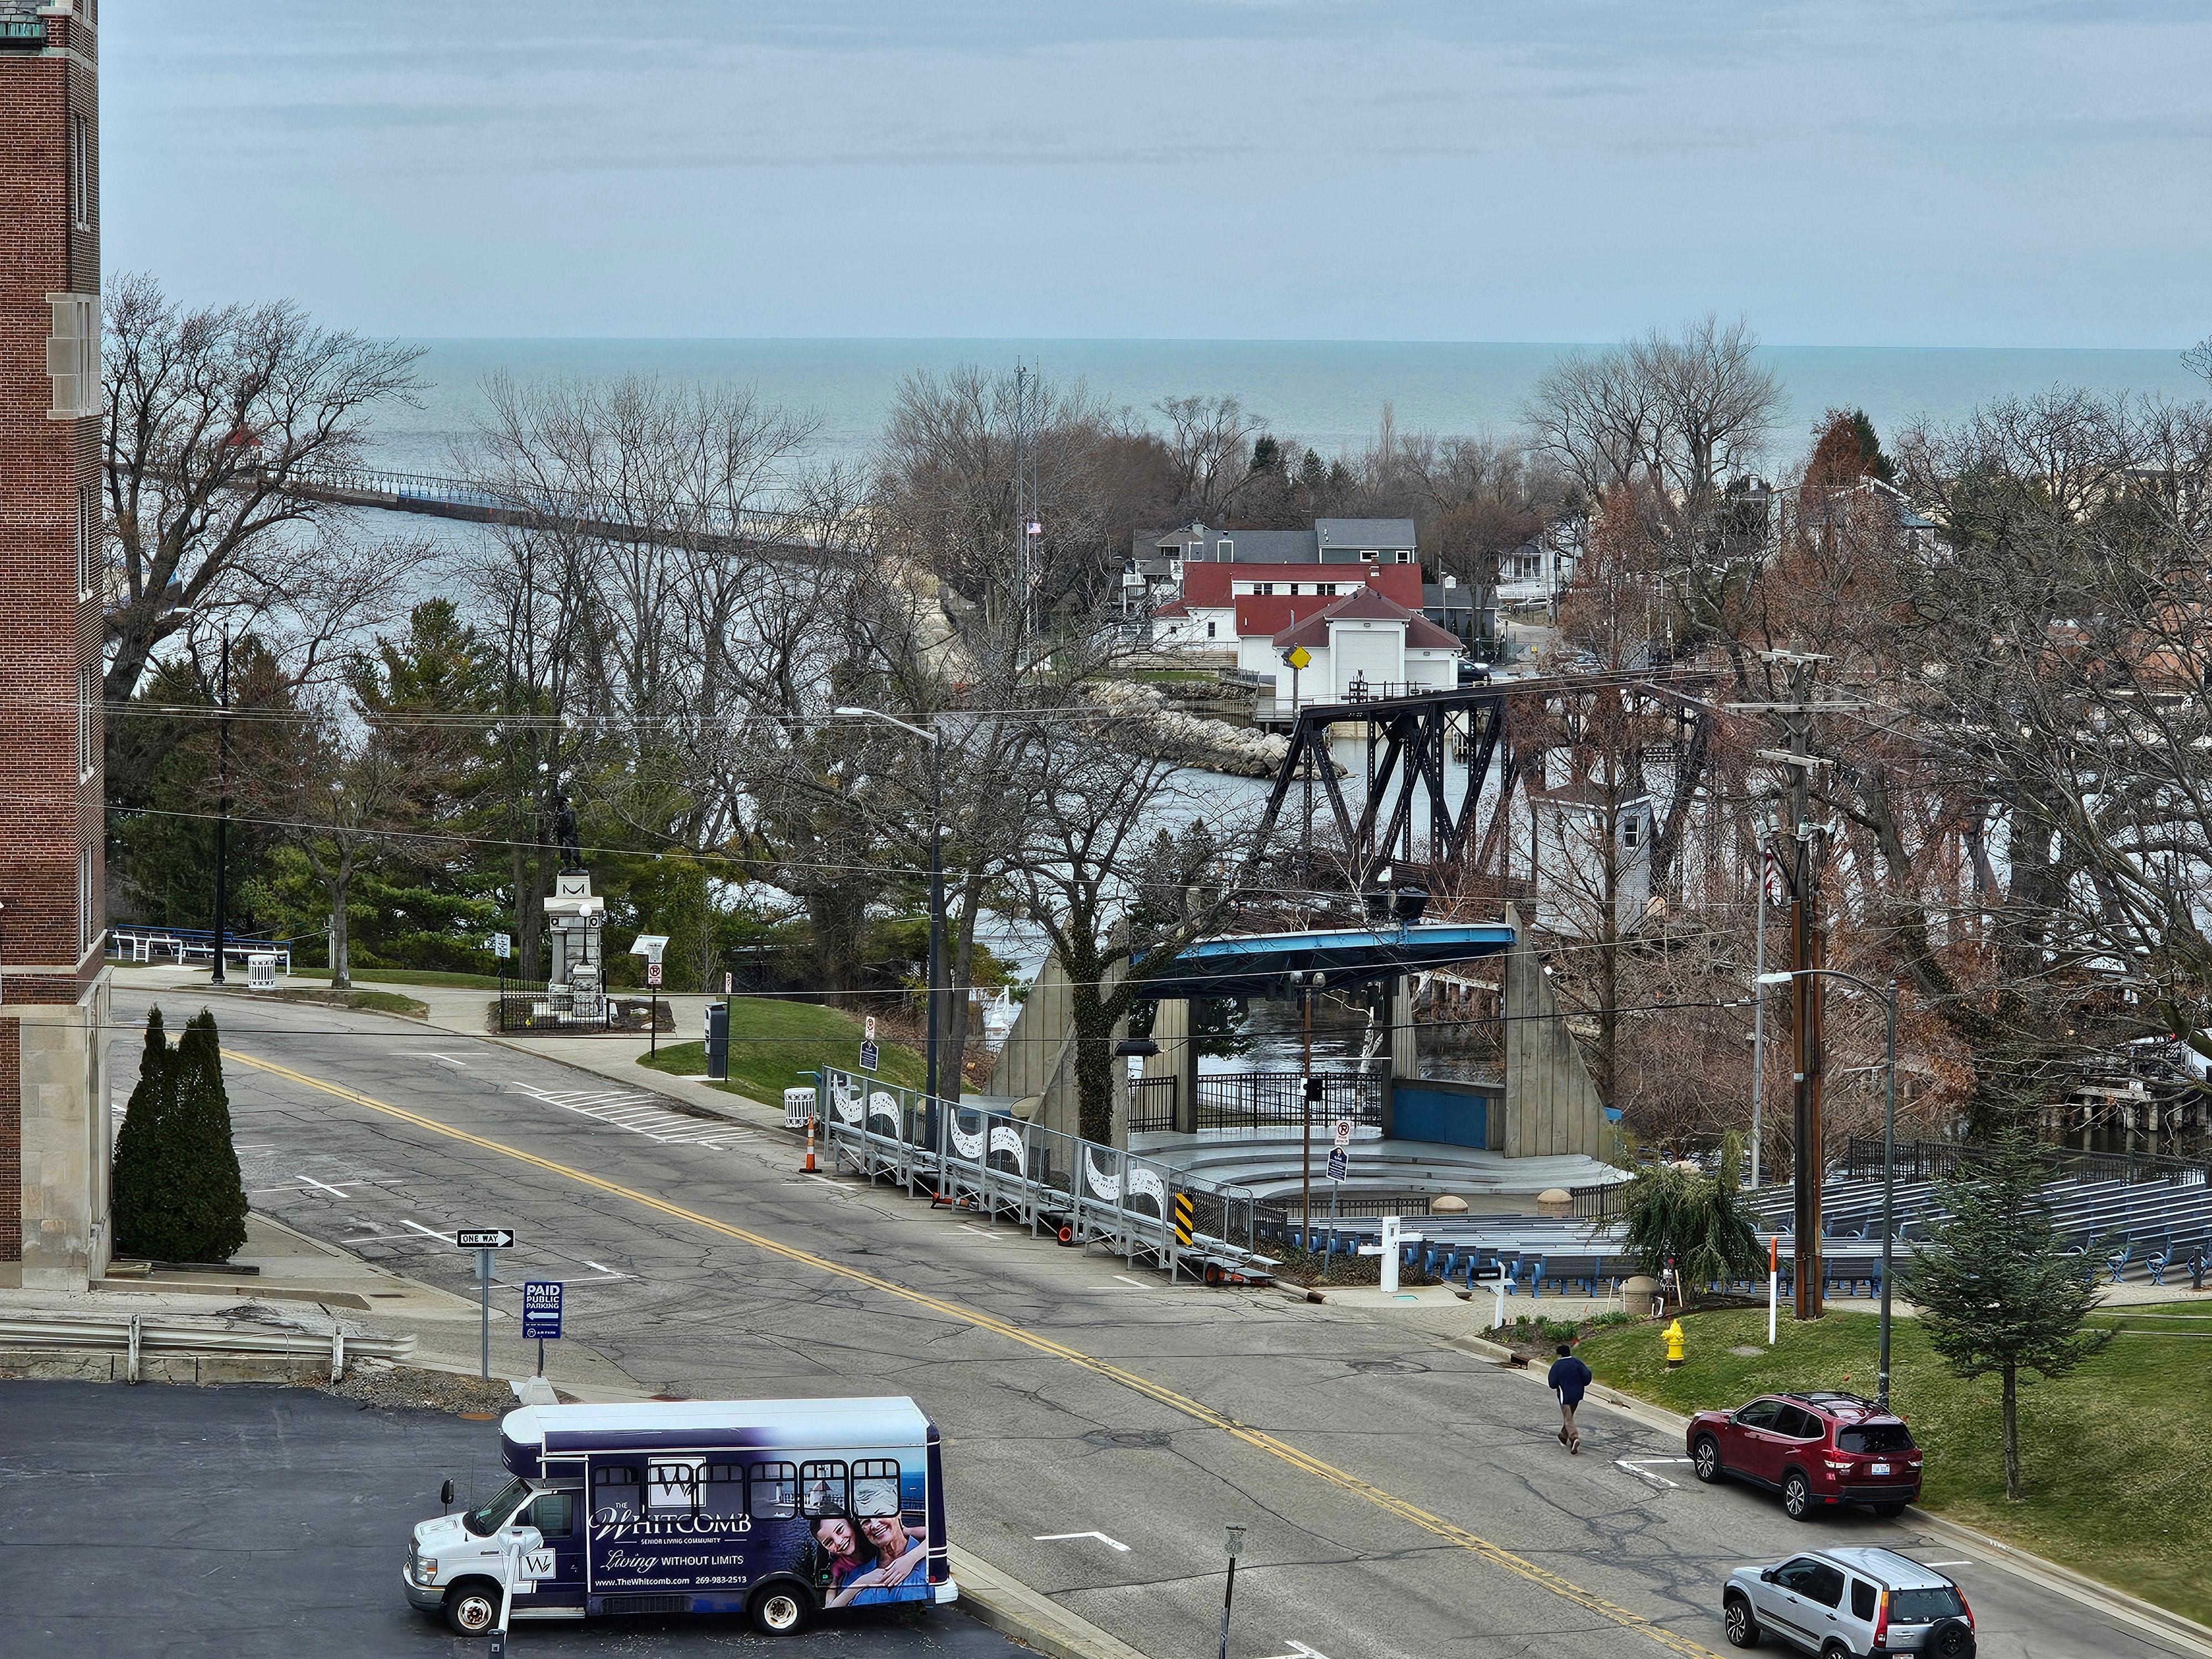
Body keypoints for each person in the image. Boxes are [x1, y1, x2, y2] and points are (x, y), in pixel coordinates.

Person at [1548, 1341, 1592, 1455]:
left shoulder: (1557, 1366)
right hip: (1578, 1395)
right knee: (1570, 1416)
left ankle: (1574, 1438)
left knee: (1568, 1419)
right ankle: (1563, 1436)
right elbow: (1587, 1378)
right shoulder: (1578, 1363)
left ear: (1559, 1355)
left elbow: (1552, 1384)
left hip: (1565, 1396)